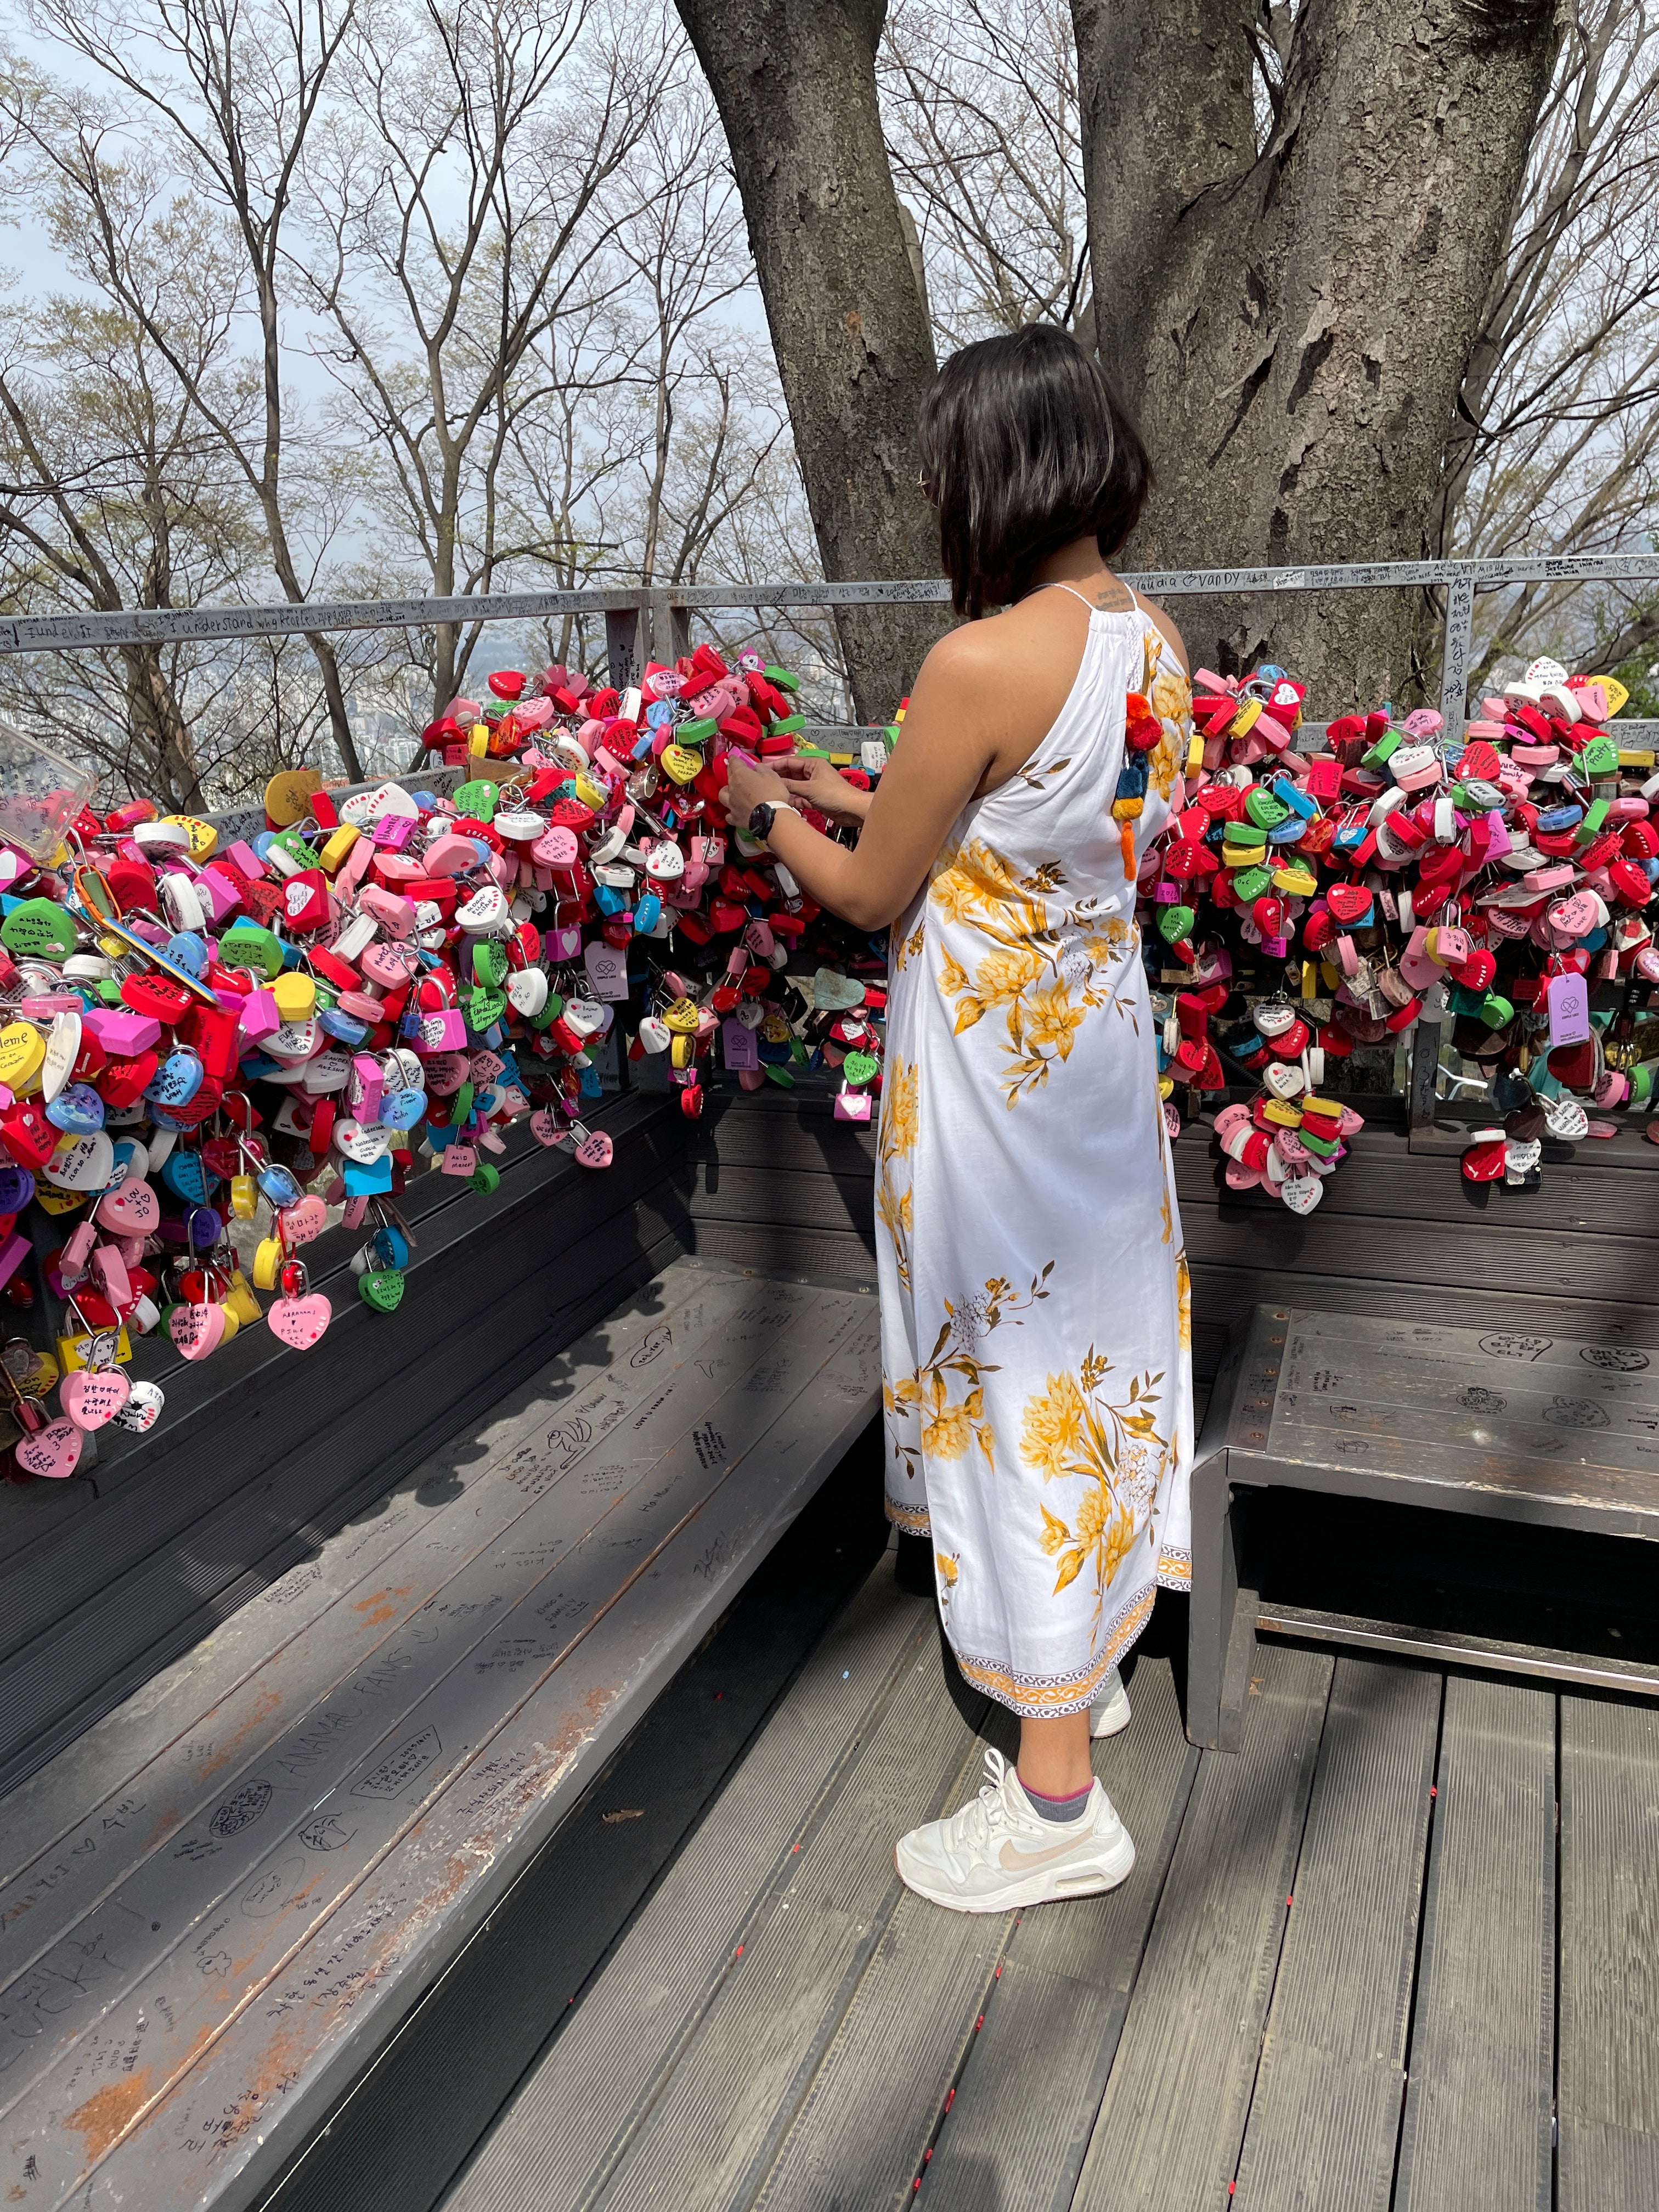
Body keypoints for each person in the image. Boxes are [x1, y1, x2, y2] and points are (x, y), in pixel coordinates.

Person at [720, 325, 1193, 1914]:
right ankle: (1090, 1662)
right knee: (1095, 1362)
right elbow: (1022, 827)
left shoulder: (979, 661)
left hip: (996, 1086)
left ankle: (1056, 1803)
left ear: (992, 472)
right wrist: (859, 787)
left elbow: (870, 894)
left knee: (1007, 1382)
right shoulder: (1149, 634)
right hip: (1097, 1077)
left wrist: (771, 815)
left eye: (941, 467)